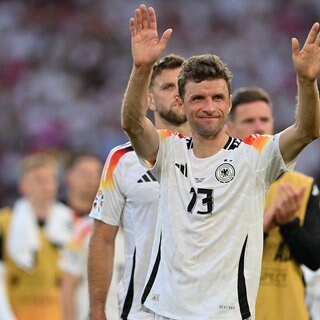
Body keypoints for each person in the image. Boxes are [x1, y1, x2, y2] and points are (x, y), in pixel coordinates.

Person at [120, 4, 320, 319]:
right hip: (163, 310)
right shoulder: (169, 149)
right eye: (198, 98)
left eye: (217, 98)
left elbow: (307, 131)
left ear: (228, 103)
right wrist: (142, 68)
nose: (208, 106)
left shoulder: (255, 155)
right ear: (180, 104)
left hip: (225, 313)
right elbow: (133, 124)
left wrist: (307, 83)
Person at [88, 53, 190, 320]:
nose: (177, 93)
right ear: (150, 100)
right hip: (142, 310)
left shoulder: (218, 158)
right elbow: (103, 236)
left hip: (202, 308)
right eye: (168, 87)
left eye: (182, 86)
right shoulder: (122, 160)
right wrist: (97, 308)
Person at [227, 86, 320, 320]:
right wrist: (265, 225)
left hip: (291, 313)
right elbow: (218, 255)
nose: (259, 126)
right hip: (236, 312)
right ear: (230, 129)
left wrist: (289, 224)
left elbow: (315, 259)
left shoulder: (302, 186)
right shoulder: (220, 185)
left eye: (264, 119)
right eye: (249, 120)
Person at [0, 152, 74, 320]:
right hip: (17, 312)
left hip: (61, 313)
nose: (45, 185)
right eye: (38, 180)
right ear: (22, 186)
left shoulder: (71, 223)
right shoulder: (4, 223)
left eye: (50, 179)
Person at [59, 152, 124, 320]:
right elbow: (68, 285)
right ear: (68, 176)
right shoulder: (81, 228)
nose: (91, 180)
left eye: (96, 174)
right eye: (84, 174)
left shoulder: (132, 232)